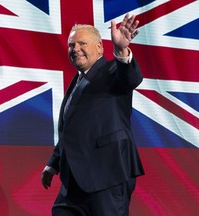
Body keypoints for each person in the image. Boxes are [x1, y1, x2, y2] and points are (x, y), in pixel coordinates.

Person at [41, 13, 145, 216]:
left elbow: (131, 78)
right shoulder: (77, 80)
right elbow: (70, 129)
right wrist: (53, 164)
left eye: (82, 43)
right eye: (71, 45)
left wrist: (122, 50)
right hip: (73, 184)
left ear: (99, 47)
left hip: (107, 177)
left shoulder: (112, 71)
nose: (75, 49)